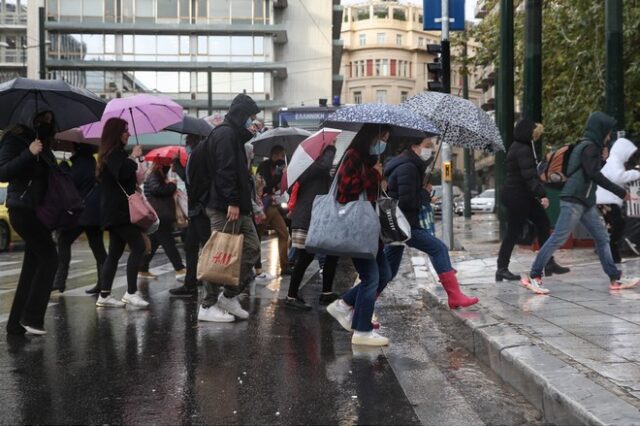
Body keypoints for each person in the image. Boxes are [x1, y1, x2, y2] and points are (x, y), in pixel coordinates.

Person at [521, 112, 638, 293]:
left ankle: (615, 278)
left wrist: (603, 159)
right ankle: (534, 275)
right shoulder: (588, 147)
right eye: (607, 132)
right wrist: (621, 193)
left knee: (602, 238)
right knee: (558, 238)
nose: (608, 136)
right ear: (600, 130)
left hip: (585, 201)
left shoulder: (589, 148)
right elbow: (594, 175)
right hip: (574, 200)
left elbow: (590, 171)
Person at [383, 138, 479, 309]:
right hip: (405, 225)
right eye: (427, 146)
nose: (429, 151)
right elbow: (406, 201)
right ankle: (455, 296)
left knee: (387, 273)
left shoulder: (407, 165)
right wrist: (425, 193)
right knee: (439, 248)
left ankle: (349, 302)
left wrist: (421, 190)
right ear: (414, 146)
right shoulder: (408, 167)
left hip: (399, 226)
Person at [196, 93, 262, 322]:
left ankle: (229, 295)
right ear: (241, 114)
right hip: (225, 206)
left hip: (239, 206)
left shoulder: (232, 134)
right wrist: (232, 201)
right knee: (219, 255)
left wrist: (250, 131)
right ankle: (207, 305)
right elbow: (226, 171)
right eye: (250, 116)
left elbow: (236, 162)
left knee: (252, 249)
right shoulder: (224, 134)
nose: (251, 120)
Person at [326, 124, 392, 347]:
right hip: (357, 227)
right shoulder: (353, 156)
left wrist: (379, 179)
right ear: (371, 136)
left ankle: (345, 304)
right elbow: (346, 189)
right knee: (371, 277)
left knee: (384, 273)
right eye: (381, 137)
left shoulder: (368, 160)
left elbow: (369, 192)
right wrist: (373, 175)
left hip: (371, 228)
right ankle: (362, 330)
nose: (382, 142)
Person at [0, 109, 59, 335]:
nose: (47, 122)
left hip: (38, 211)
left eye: (50, 120)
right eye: (43, 118)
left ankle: (15, 324)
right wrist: (28, 152)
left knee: (32, 266)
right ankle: (32, 318)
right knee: (50, 259)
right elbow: (3, 172)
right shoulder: (15, 139)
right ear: (30, 118)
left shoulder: (42, 143)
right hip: (22, 210)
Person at [496, 119, 570, 281]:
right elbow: (529, 176)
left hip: (522, 195)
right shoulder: (522, 149)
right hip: (517, 195)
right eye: (533, 131)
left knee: (543, 223)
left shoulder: (523, 147)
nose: (535, 134)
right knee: (513, 232)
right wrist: (542, 194)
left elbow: (530, 175)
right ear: (526, 132)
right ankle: (501, 268)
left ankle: (548, 262)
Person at [96, 117, 149, 308]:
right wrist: (133, 157)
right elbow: (123, 172)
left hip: (115, 212)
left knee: (115, 253)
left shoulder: (112, 153)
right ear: (116, 133)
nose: (128, 133)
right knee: (138, 246)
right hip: (119, 212)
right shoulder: (115, 154)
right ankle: (131, 292)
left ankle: (104, 295)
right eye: (125, 130)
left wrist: (134, 159)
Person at [285, 144, 340, 310]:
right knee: (305, 258)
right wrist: (331, 147)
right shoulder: (311, 167)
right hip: (307, 218)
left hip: (315, 217)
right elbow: (324, 165)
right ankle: (291, 296)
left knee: (331, 252)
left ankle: (326, 292)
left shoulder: (313, 168)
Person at [52, 143, 107, 294]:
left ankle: (59, 280)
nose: (71, 148)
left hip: (83, 213)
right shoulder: (91, 162)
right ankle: (104, 283)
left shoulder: (81, 163)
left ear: (78, 148)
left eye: (73, 147)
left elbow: (70, 184)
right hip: (94, 213)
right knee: (98, 247)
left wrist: (64, 168)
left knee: (64, 240)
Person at [169, 134, 208, 296]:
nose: (185, 145)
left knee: (206, 246)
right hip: (196, 209)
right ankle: (191, 283)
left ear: (194, 140)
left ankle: (214, 281)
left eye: (187, 142)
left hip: (200, 208)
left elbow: (191, 179)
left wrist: (177, 164)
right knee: (191, 246)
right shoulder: (196, 154)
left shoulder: (199, 155)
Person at [138, 161, 186, 281]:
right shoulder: (154, 174)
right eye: (167, 163)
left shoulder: (158, 174)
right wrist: (172, 185)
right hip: (159, 214)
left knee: (154, 242)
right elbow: (157, 189)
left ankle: (142, 268)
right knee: (168, 241)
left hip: (159, 214)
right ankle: (179, 268)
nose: (168, 166)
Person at [596, 137, 640, 263]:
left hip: (605, 199)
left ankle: (612, 256)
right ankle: (611, 255)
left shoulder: (614, 162)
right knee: (617, 226)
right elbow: (618, 177)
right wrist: (636, 173)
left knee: (614, 227)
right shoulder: (614, 162)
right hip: (606, 199)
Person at [256, 144, 291, 275]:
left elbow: (280, 185)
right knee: (256, 237)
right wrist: (278, 173)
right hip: (264, 205)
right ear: (274, 155)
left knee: (284, 234)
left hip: (274, 204)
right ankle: (256, 265)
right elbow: (266, 185)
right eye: (281, 155)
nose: (282, 158)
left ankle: (285, 266)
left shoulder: (279, 166)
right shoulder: (264, 166)